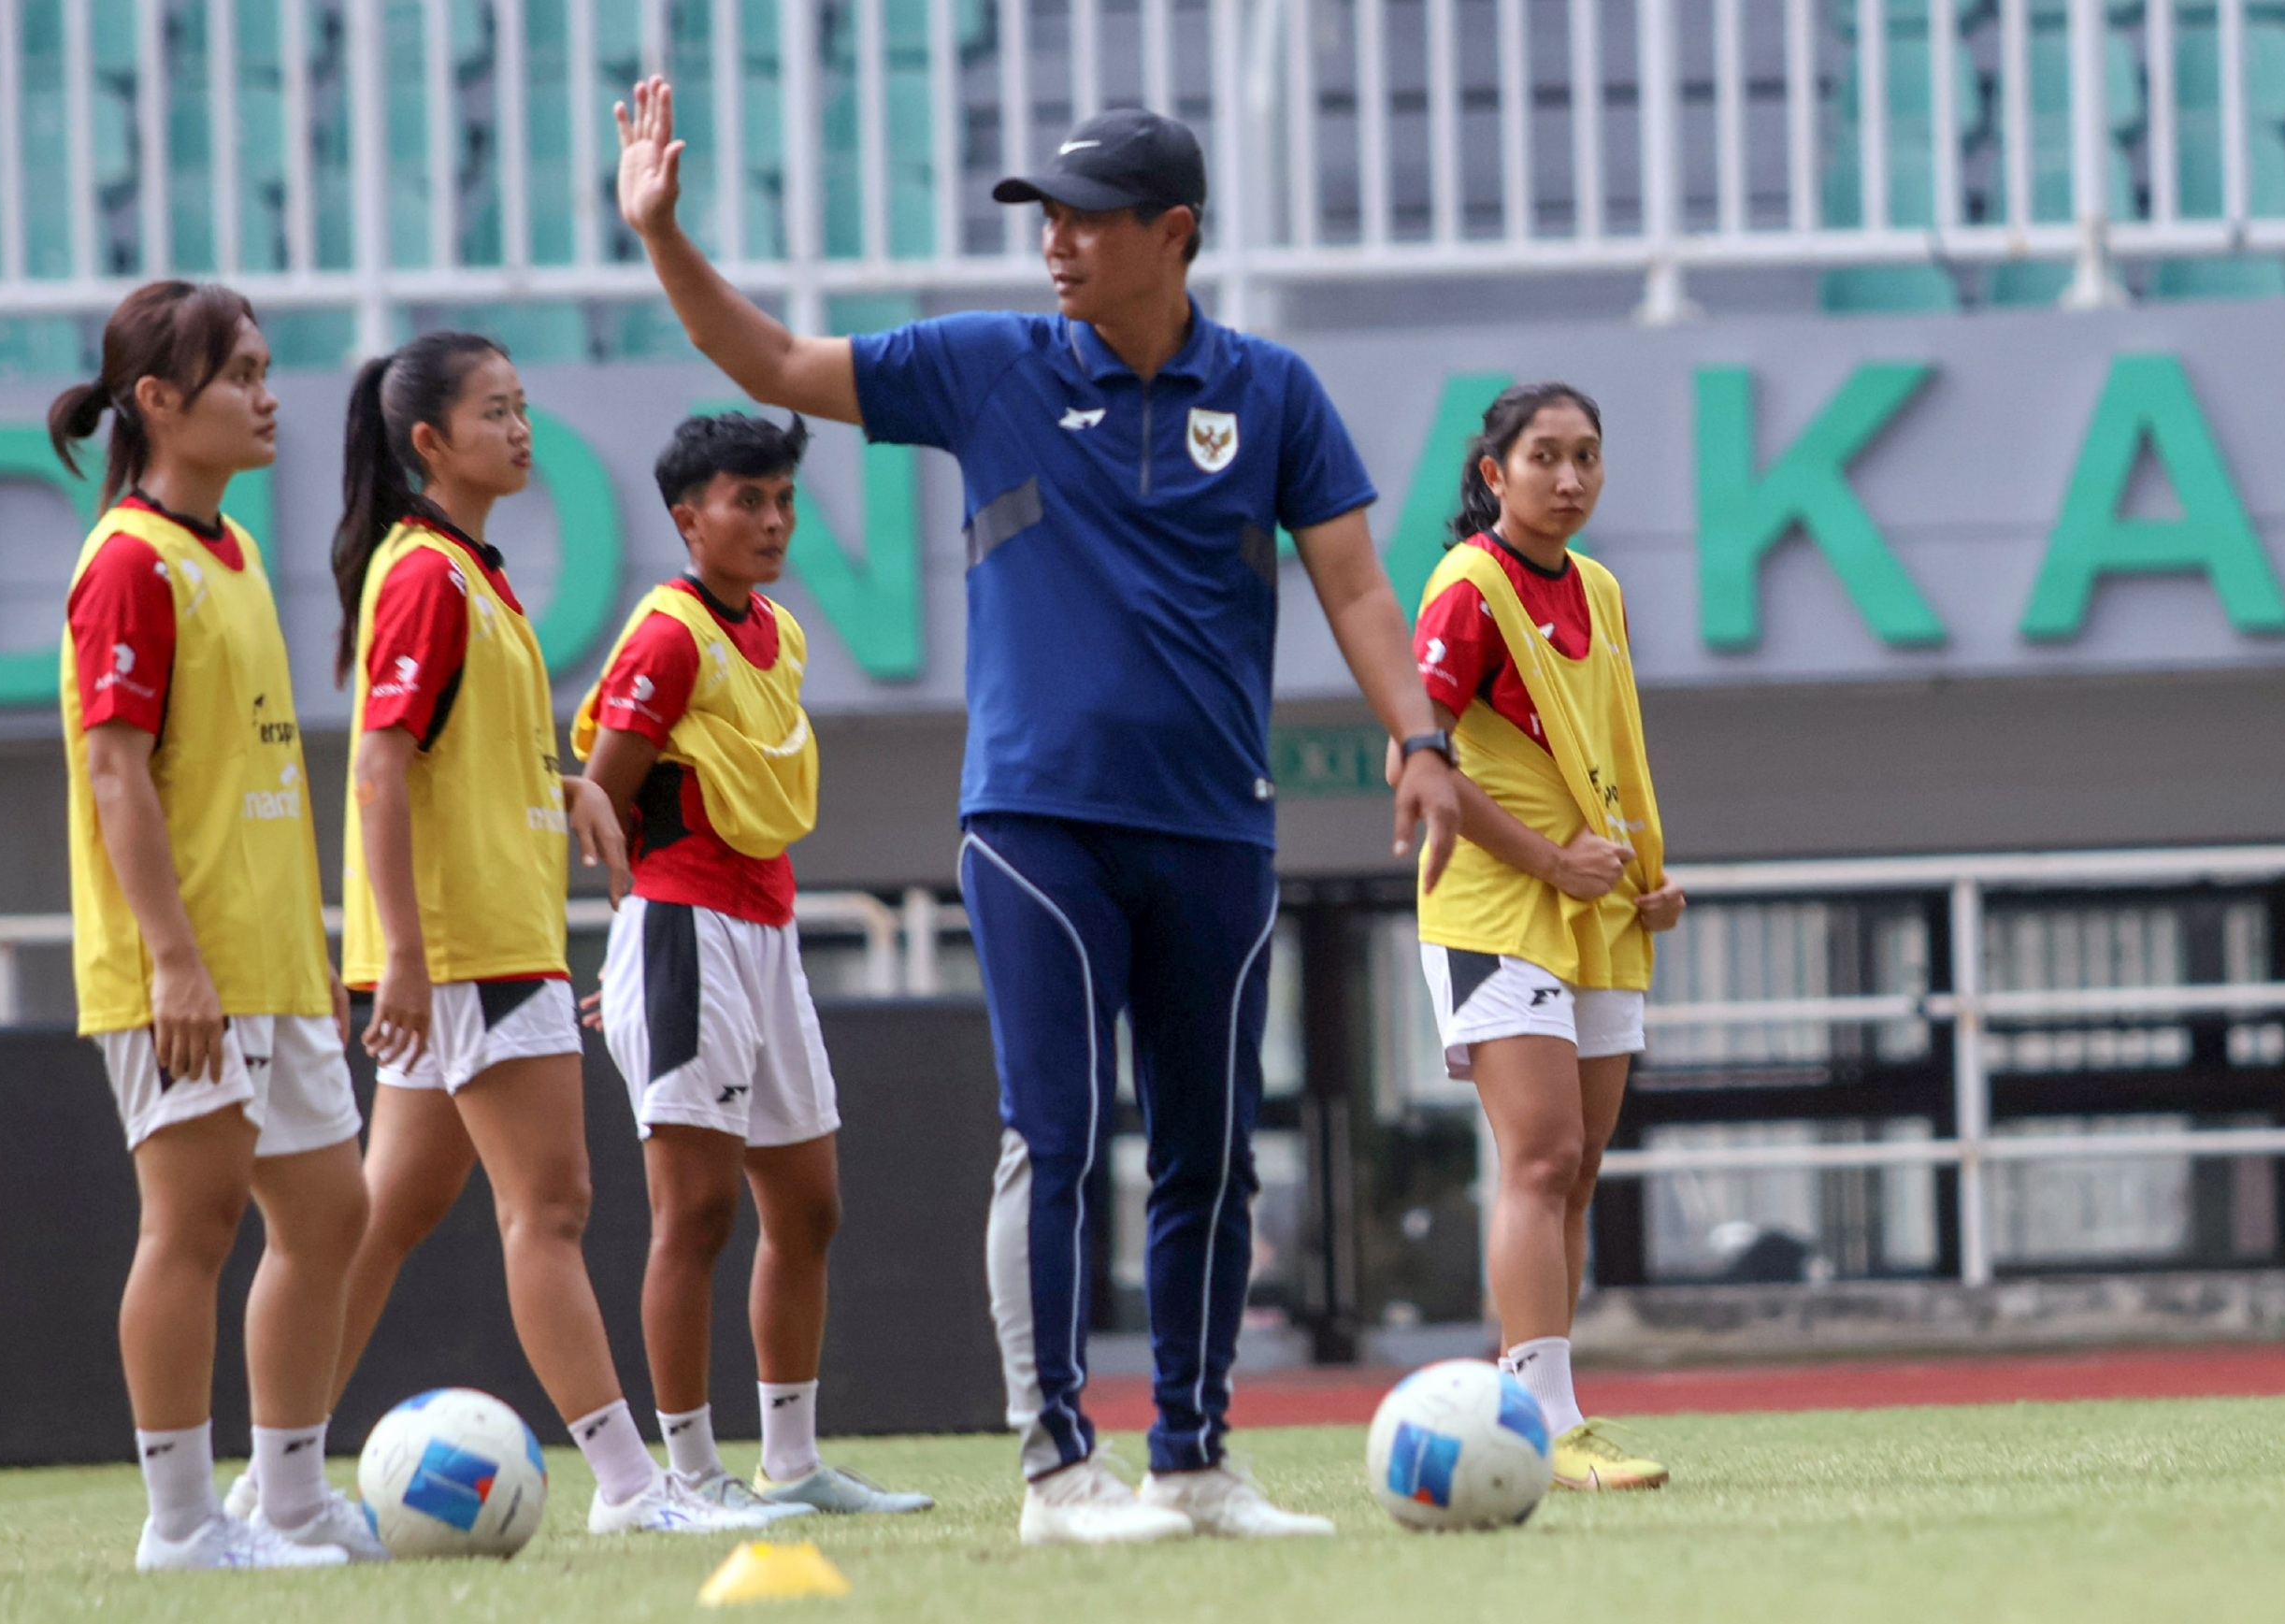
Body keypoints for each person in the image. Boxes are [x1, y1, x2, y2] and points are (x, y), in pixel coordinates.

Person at [612, 82, 1462, 1544]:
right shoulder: (983, 366)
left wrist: (1421, 737)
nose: (1053, 244)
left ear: (1172, 232)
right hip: (1033, 820)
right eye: (1043, 218)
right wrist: (661, 232)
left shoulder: (1272, 392)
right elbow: (755, 353)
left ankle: (1193, 1462)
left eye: (1083, 219)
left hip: (1216, 822)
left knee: (1207, 1148)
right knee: (1055, 1135)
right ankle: (1060, 1470)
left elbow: (1357, 585)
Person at [293, 330, 763, 1538]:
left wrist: (567, 788)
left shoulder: (470, 572)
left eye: (522, 405)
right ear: (429, 443)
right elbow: (381, 768)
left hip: (475, 944)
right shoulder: (427, 575)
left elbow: (452, 762)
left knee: (384, 1215)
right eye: (494, 411)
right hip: (473, 953)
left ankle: (273, 1482)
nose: (520, 428)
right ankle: (629, 1487)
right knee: (548, 1209)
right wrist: (398, 952)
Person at [51, 280, 383, 1570]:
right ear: (157, 402)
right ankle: (181, 1526)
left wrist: (312, 954)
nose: (268, 393)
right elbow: (114, 774)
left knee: (329, 1214)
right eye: (240, 372)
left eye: (264, 366)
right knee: (188, 1230)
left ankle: (288, 1499)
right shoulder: (128, 562)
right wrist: (174, 962)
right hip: (178, 967)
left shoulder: (231, 552)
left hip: (276, 960)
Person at [573, 411, 934, 1520]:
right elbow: (601, 798)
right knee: (697, 1217)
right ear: (688, 519)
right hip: (688, 931)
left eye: (782, 499)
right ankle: (688, 1475)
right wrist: (635, 953)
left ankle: (792, 1460)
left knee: (809, 1206)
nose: (773, 520)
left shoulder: (777, 627)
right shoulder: (670, 634)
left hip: (766, 934)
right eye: (747, 500)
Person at [1405, 382, 1686, 1490]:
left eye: (1586, 458)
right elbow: (1413, 762)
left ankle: (1554, 1409)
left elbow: (1610, 753)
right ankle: (1543, 1425)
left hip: (1600, 913)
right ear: (1493, 474)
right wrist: (1550, 861)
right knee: (1542, 1156)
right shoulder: (1469, 586)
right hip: (1494, 904)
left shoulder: (1602, 590)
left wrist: (1647, 878)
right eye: (1543, 459)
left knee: (1578, 1173)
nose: (1568, 480)